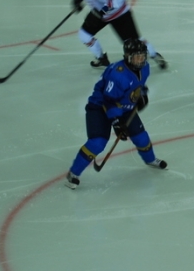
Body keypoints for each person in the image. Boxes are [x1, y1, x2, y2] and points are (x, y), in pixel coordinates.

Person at [65, 39, 167, 189]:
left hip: (125, 107)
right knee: (97, 142)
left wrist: (142, 95)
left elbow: (140, 85)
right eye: (137, 57)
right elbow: (108, 101)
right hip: (100, 108)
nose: (141, 60)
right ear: (127, 57)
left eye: (143, 56)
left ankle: (150, 160)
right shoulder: (118, 74)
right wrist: (116, 123)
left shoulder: (145, 68)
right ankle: (73, 174)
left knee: (141, 137)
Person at [72, 0, 167, 69]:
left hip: (119, 13)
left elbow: (112, 2)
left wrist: (101, 13)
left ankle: (154, 55)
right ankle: (101, 58)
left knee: (133, 42)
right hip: (101, 13)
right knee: (84, 35)